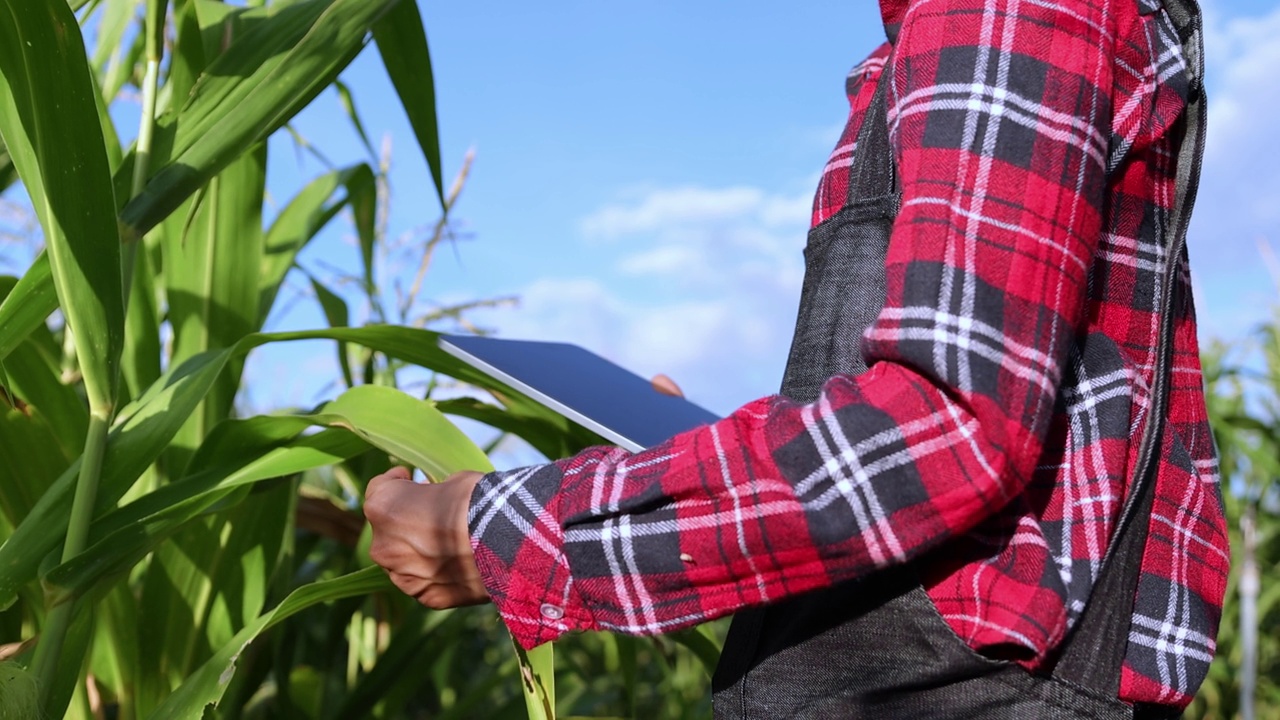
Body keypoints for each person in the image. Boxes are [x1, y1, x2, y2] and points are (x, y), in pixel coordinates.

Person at [365, 0, 1229, 716]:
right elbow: (973, 412)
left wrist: (501, 530)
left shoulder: (999, 11)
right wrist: (680, 461)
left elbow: (952, 426)